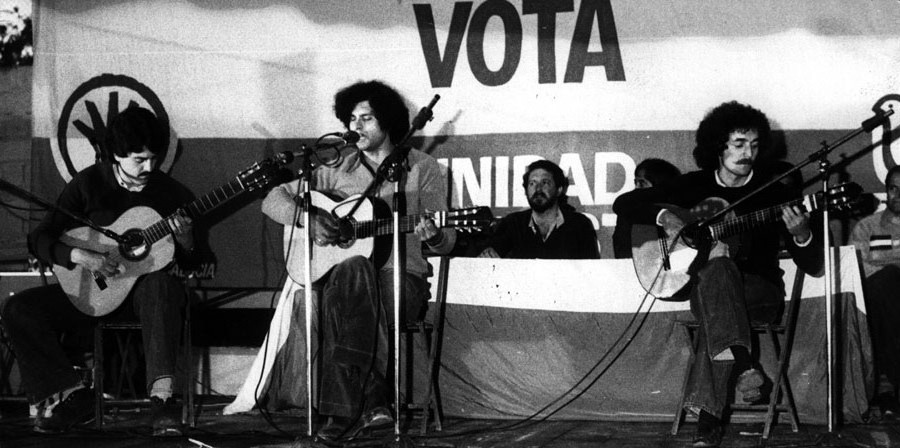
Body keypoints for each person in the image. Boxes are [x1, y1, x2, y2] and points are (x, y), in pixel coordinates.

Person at [613, 101, 822, 448]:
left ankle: (717, 407)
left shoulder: (774, 194)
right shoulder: (692, 185)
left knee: (719, 279)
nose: (748, 153)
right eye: (738, 144)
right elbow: (624, 204)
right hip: (705, 290)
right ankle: (742, 366)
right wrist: (665, 216)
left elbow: (812, 264)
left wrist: (802, 233)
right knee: (717, 271)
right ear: (717, 145)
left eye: (754, 145)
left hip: (760, 293)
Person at [261, 80, 456, 441]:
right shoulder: (337, 168)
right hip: (345, 285)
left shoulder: (421, 168)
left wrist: (434, 235)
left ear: (388, 121)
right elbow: (273, 199)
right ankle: (372, 401)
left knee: (348, 288)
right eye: (351, 119)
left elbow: (448, 241)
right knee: (353, 270)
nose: (356, 127)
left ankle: (343, 413)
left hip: (401, 282)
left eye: (366, 118)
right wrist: (308, 219)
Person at [0, 106, 196, 436]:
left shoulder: (170, 193)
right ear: (117, 154)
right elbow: (40, 238)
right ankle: (73, 396)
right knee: (19, 308)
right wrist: (79, 255)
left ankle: (162, 402)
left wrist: (187, 240)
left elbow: (194, 262)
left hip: (144, 301)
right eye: (139, 160)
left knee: (161, 285)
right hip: (91, 295)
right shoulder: (88, 184)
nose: (149, 167)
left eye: (153, 159)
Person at [849, 165, 900, 418]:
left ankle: (888, 387)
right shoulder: (866, 227)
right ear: (886, 191)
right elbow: (856, 267)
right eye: (893, 189)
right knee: (887, 281)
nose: (898, 195)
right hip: (877, 296)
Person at [478, 159, 600, 259]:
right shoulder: (513, 223)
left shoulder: (580, 225)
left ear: (559, 190)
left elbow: (591, 273)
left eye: (545, 182)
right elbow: (490, 259)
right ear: (526, 191)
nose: (538, 189)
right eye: (532, 183)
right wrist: (487, 257)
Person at [612, 158, 681, 258]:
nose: (636, 188)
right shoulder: (629, 210)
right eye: (635, 182)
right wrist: (661, 215)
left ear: (659, 184)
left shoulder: (681, 210)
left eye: (642, 183)